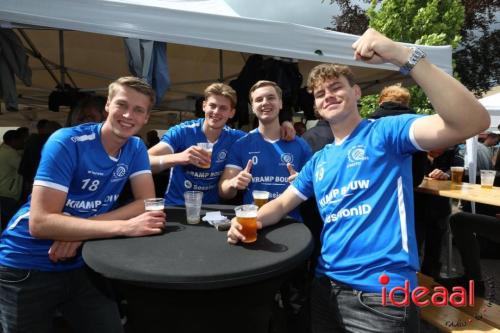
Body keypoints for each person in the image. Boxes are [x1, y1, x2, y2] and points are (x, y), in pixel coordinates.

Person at [227, 28, 489, 333]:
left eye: (336, 87)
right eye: (321, 94)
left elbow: (473, 121)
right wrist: (251, 221)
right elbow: (283, 203)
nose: (328, 96)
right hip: (326, 289)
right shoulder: (319, 160)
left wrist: (404, 56)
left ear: (356, 93)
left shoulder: (385, 133)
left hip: (381, 296)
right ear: (316, 107)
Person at [0, 76, 166, 333]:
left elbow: (146, 202)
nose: (128, 114)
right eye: (122, 104)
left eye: (138, 109)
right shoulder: (66, 141)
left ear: (146, 118)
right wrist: (124, 227)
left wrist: (78, 232)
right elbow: (41, 223)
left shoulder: (135, 148)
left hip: (82, 261)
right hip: (26, 264)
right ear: (108, 106)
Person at [148, 82, 295, 205]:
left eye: (223, 108)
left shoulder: (236, 138)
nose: (216, 112)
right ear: (204, 106)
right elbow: (145, 161)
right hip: (177, 206)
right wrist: (179, 157)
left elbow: (264, 135)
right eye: (212, 105)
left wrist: (285, 123)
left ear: (231, 113)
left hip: (212, 210)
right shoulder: (183, 132)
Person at [219, 80, 312, 221]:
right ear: (253, 107)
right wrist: (233, 183)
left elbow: (318, 189)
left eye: (271, 98)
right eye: (258, 100)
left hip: (291, 224)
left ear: (280, 103)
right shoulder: (242, 144)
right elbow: (223, 191)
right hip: (252, 221)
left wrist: (304, 183)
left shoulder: (300, 145)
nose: (265, 103)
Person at [18, 120, 62, 202]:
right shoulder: (55, 142)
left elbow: (24, 166)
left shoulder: (31, 141)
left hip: (32, 180)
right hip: (49, 182)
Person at [0, 130, 24, 231]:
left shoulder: (3, 150)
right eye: (21, 140)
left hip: (4, 191)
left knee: (4, 220)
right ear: (13, 140)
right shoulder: (10, 153)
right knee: (9, 221)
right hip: (8, 192)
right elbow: (23, 167)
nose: (22, 143)